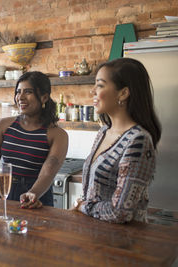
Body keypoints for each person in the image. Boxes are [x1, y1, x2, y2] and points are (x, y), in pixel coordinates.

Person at [72, 57, 162, 223]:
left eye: (99, 85)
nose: (93, 91)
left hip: (122, 243)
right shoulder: (104, 131)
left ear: (123, 93)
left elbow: (120, 212)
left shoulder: (138, 140)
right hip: (96, 236)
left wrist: (83, 206)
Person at [0, 71, 68, 208]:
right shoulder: (4, 125)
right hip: (5, 190)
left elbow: (48, 172)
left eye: (28, 92)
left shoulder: (57, 134)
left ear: (44, 97)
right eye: (18, 92)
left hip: (36, 198)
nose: (20, 97)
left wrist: (33, 193)